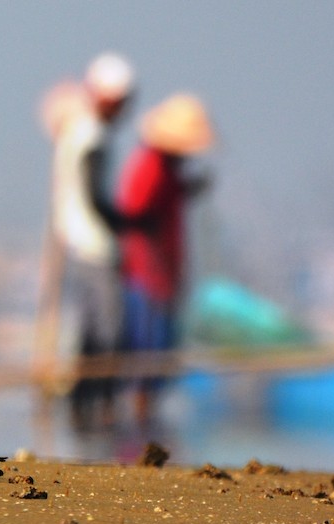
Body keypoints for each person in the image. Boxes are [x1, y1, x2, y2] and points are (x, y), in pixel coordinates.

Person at [46, 52, 136, 428]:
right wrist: (127, 224)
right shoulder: (91, 136)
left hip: (78, 240)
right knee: (107, 331)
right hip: (94, 244)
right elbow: (93, 196)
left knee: (89, 330)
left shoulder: (78, 131)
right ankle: (96, 408)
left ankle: (84, 411)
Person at [116, 94, 215, 424]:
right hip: (147, 275)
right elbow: (134, 213)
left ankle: (146, 416)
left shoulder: (168, 171)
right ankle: (141, 419)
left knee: (161, 349)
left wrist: (184, 190)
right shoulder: (151, 167)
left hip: (163, 275)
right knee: (149, 350)